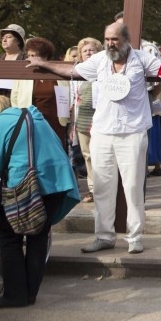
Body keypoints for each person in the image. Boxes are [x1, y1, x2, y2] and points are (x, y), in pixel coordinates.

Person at [26, 22, 161, 255]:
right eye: (107, 39)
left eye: (114, 39)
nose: (110, 43)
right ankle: (104, 236)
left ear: (126, 40)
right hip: (102, 132)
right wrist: (42, 63)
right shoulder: (99, 60)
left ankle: (135, 237)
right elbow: (72, 71)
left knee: (132, 186)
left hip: (132, 132)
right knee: (101, 187)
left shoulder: (141, 59)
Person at [0, 99, 80, 308]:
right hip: (57, 182)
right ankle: (29, 294)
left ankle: (15, 295)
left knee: (10, 237)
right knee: (38, 235)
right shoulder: (36, 116)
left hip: (25, 185)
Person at [10, 37, 70, 151]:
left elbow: (68, 97)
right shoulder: (23, 75)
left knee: (55, 152)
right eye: (29, 55)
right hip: (30, 123)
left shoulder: (58, 74)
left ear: (45, 57)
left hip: (55, 123)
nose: (30, 59)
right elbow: (15, 98)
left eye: (34, 56)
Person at [73, 37, 102, 202]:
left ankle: (106, 188)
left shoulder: (105, 69)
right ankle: (93, 189)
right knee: (88, 156)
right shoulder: (77, 71)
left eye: (92, 50)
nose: (88, 53)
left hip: (101, 120)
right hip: (83, 120)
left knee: (103, 155)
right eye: (85, 51)